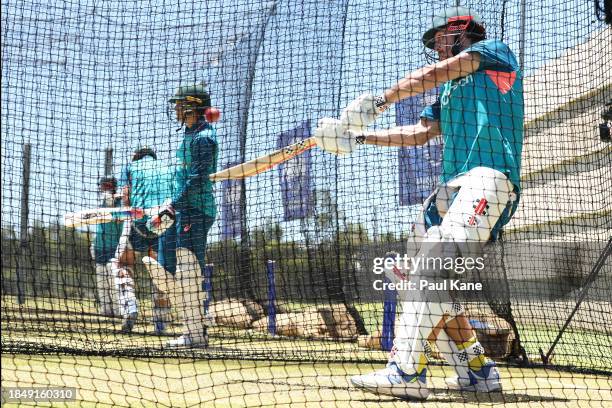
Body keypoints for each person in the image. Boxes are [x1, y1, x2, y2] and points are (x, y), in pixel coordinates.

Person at [314, 6, 523, 400]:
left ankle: (406, 372)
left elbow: (436, 73)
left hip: (490, 177)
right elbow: (420, 133)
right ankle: (476, 370)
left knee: (434, 265)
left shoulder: (495, 52)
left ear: (461, 32)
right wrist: (359, 139)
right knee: (411, 274)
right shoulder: (449, 88)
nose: (436, 46)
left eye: (440, 38)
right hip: (452, 187)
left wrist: (382, 100)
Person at [146, 82, 219, 347]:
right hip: (181, 208)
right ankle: (194, 324)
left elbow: (197, 179)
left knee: (189, 268)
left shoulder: (204, 138)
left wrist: (173, 205)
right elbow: (182, 178)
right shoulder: (189, 135)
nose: (175, 108)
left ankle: (195, 334)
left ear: (192, 106)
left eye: (179, 104)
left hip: (196, 210)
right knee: (167, 269)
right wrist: (170, 202)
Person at [116, 147, 174, 334]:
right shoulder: (167, 168)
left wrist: (125, 210)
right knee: (160, 272)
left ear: (136, 157)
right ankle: (160, 322)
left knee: (122, 264)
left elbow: (126, 195)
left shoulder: (130, 167)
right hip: (162, 221)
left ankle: (130, 307)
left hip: (138, 221)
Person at [91, 177, 123, 318]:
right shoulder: (101, 204)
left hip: (113, 247)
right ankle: (106, 309)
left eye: (107, 186)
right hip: (99, 246)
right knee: (101, 278)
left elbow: (122, 227)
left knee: (113, 278)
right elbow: (97, 225)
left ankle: (117, 310)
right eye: (103, 186)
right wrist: (93, 243)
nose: (104, 188)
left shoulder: (118, 204)